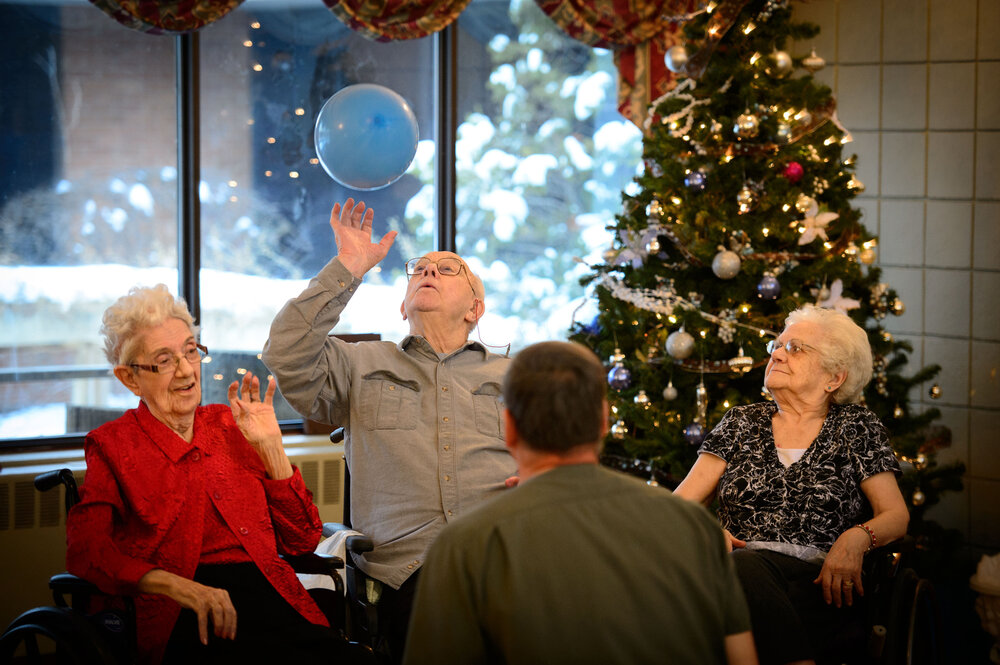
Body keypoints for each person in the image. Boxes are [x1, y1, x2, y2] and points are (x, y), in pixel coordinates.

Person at [262, 198, 517, 662]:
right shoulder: (361, 362)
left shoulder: (516, 375)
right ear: (403, 307)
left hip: (508, 557)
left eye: (448, 269)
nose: (428, 272)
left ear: (475, 309)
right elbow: (284, 354)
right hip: (410, 569)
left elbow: (559, 458)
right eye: (418, 268)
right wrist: (348, 268)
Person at [402, 340, 758, 665]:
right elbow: (742, 657)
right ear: (603, 421)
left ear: (509, 427)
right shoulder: (695, 526)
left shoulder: (465, 543)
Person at [66, 285, 345, 665]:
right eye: (164, 360)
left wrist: (271, 449)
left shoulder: (232, 424)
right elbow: (86, 552)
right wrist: (181, 588)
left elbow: (303, 540)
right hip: (181, 612)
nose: (185, 370)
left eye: (190, 351)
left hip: (268, 597)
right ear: (130, 378)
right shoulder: (113, 445)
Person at [674, 304, 910, 665]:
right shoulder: (742, 423)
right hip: (735, 575)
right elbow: (678, 506)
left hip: (820, 587)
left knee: (742, 573)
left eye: (795, 348)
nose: (778, 355)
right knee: (742, 570)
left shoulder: (856, 427)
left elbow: (895, 516)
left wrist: (856, 537)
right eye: (778, 347)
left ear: (834, 378)